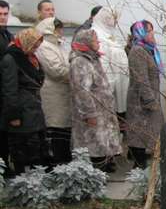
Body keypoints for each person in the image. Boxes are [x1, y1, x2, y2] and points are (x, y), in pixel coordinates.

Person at [69, 29, 121, 171]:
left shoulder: (93, 58)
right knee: (92, 144)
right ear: (86, 43)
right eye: (94, 40)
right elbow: (82, 91)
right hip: (93, 112)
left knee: (101, 143)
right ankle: (93, 174)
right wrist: (89, 114)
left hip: (102, 110)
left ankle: (102, 169)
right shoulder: (80, 61)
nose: (98, 42)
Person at [0, 28, 47, 174]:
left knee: (36, 149)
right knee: (23, 150)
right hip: (21, 111)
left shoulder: (28, 56)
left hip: (32, 108)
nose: (35, 49)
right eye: (34, 45)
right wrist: (14, 116)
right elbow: (9, 89)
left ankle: (36, 180)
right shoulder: (11, 58)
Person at [126, 20, 163, 168]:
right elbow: (141, 79)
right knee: (139, 137)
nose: (152, 34)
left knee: (146, 136)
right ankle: (138, 172)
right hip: (140, 104)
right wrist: (150, 101)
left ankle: (143, 170)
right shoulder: (138, 51)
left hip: (149, 101)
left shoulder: (149, 50)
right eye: (149, 31)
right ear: (140, 33)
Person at [35, 17, 72, 165]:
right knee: (54, 127)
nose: (61, 32)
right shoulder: (44, 46)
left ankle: (63, 159)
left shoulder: (59, 45)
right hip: (53, 94)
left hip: (64, 93)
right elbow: (57, 71)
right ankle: (55, 161)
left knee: (63, 128)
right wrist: (73, 73)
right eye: (58, 29)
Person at [91, 7, 129, 115]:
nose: (115, 22)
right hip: (109, 86)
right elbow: (103, 64)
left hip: (119, 82)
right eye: (113, 18)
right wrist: (109, 87)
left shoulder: (110, 34)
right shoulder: (97, 35)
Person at [0, 0, 14, 169]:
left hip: (6, 89)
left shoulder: (7, 34)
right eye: (0, 15)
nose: (3, 17)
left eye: (5, 14)